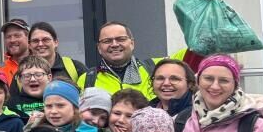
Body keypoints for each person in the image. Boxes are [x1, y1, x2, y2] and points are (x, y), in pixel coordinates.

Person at [77, 12, 212, 98]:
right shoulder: (87, 80)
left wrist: (207, 6)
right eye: (107, 41)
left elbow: (199, 47)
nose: (114, 44)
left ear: (132, 43)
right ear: (99, 48)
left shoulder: (157, 67)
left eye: (121, 39)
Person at [150, 58, 196, 132]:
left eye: (174, 79)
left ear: (189, 84)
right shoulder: (144, 112)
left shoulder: (198, 115)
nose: (166, 83)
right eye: (160, 78)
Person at [0, 18, 31, 83]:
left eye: (17, 36)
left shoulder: (42, 65)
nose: (12, 40)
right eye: (8, 37)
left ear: (28, 38)